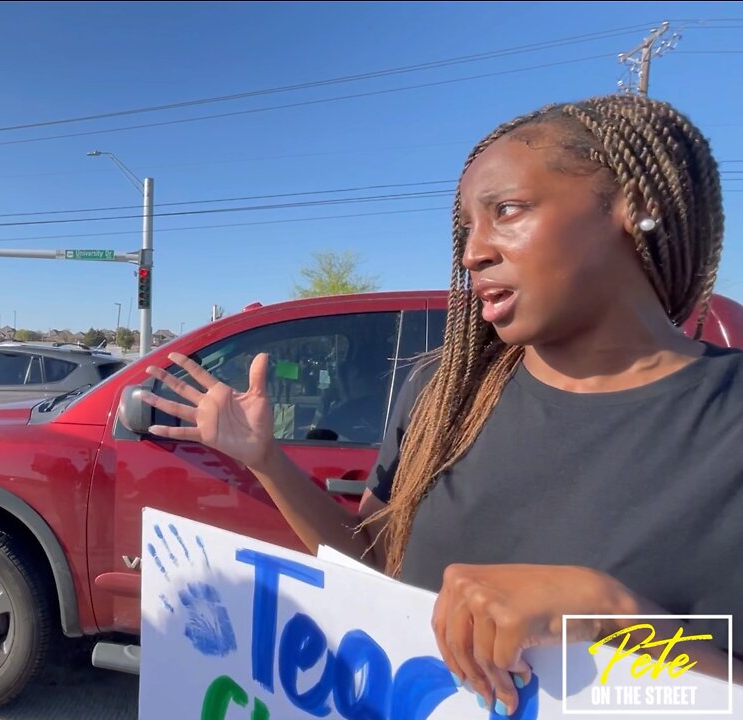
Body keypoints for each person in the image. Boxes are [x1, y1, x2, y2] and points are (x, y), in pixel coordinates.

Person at [140, 93, 741, 716]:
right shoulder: (443, 397)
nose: (472, 252)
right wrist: (266, 459)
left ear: (633, 206)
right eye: (467, 228)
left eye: (507, 210)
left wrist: (610, 615)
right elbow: (376, 563)